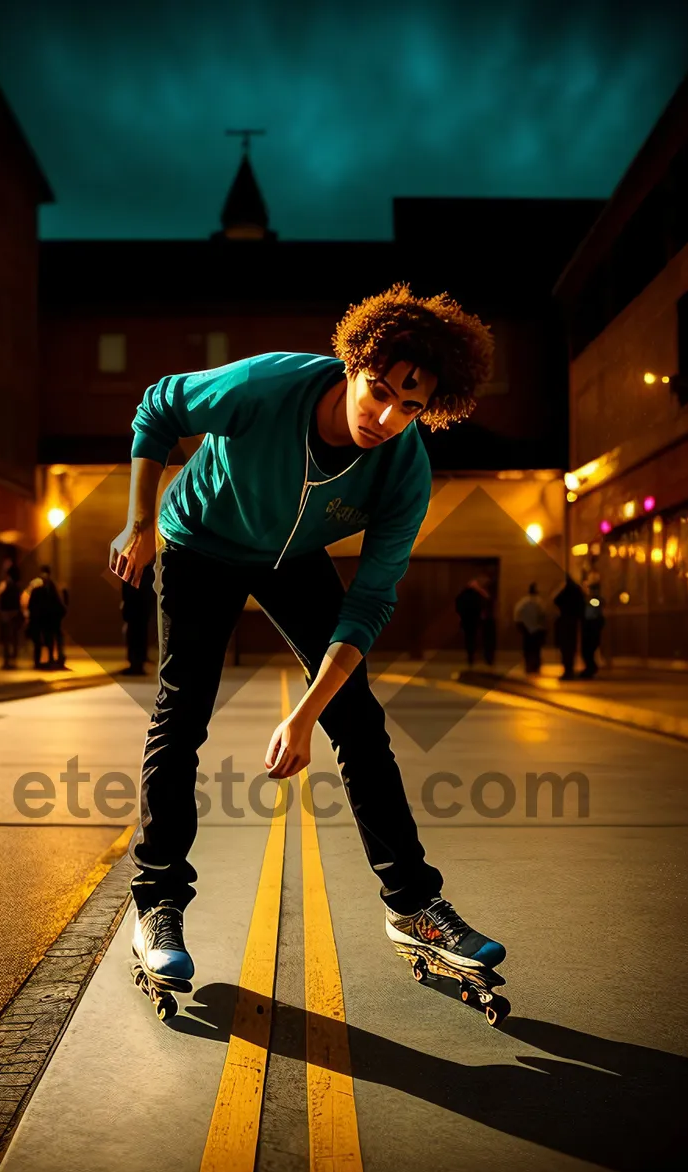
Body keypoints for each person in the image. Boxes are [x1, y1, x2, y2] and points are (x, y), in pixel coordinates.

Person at [109, 282, 507, 1003]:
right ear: (352, 362)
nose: (386, 417)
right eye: (378, 391)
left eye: (410, 406)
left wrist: (305, 714)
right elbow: (158, 405)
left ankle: (415, 906)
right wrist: (139, 520)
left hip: (291, 558)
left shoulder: (403, 467)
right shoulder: (267, 385)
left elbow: (369, 603)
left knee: (358, 719)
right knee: (183, 709)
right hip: (199, 541)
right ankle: (159, 903)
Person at [23, 565, 62, 669]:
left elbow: (30, 603)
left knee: (38, 641)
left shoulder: (36, 587)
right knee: (47, 639)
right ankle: (49, 660)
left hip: (38, 618)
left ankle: (38, 662)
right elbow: (57, 602)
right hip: (47, 618)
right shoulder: (51, 587)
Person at [120, 562, 155, 675]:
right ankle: (138, 662)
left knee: (134, 634)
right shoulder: (148, 567)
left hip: (134, 605)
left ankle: (135, 663)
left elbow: (127, 588)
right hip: (142, 605)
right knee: (140, 633)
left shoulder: (132, 566)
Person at [551, 574, 586, 681]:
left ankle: (568, 670)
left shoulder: (565, 592)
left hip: (565, 621)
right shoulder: (578, 591)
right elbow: (582, 605)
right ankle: (569, 670)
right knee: (571, 647)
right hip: (573, 622)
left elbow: (555, 599)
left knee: (565, 648)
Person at [512, 581, 548, 674]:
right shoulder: (539, 602)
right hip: (537, 629)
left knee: (527, 649)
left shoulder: (523, 602)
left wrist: (520, 626)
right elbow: (543, 615)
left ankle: (528, 666)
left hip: (526, 629)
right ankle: (535, 666)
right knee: (536, 649)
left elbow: (517, 615)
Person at [0, 563, 24, 668]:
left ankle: (7, 661)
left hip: (5, 614)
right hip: (15, 613)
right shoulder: (17, 586)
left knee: (7, 638)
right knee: (14, 638)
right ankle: (13, 660)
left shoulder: (4, 585)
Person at [579, 576, 606, 679]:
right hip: (588, 626)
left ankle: (591, 667)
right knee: (586, 649)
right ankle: (589, 667)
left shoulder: (596, 600)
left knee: (590, 648)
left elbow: (596, 604)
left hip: (593, 626)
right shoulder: (588, 600)